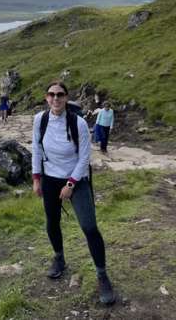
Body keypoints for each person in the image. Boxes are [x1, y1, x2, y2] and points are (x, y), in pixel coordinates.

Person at [32, 81, 115, 305]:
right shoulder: (40, 120)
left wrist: (70, 184)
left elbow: (84, 158)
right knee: (52, 221)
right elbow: (37, 149)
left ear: (66, 98)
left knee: (89, 227)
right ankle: (59, 259)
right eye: (51, 95)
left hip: (76, 180)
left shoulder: (77, 123)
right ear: (46, 98)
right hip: (49, 178)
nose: (56, 99)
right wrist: (36, 178)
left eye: (60, 95)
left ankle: (102, 275)